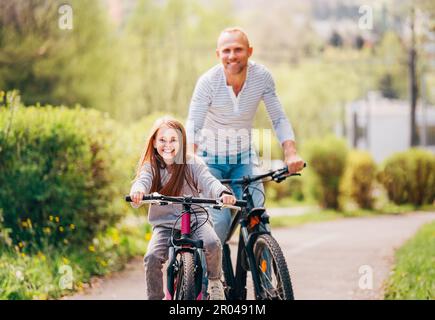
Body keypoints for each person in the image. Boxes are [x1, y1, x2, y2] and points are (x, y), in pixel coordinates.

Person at [186, 27, 305, 245]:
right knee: (219, 222)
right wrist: (189, 162)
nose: (232, 56)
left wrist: (291, 153)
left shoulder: (262, 78)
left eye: (238, 50)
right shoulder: (208, 82)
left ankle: (263, 269)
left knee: (257, 215)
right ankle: (209, 278)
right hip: (210, 160)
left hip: (244, 159)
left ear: (249, 51)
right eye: (226, 50)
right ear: (218, 54)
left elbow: (279, 118)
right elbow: (194, 126)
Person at [129, 116, 237, 300]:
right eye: (162, 140)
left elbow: (209, 181)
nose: (168, 145)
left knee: (212, 243)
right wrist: (138, 191)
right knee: (152, 257)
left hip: (196, 219)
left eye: (173, 140)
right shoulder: (151, 167)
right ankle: (154, 297)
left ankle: (214, 281)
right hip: (165, 225)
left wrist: (221, 193)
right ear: (154, 142)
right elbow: (142, 181)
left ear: (182, 142)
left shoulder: (192, 163)